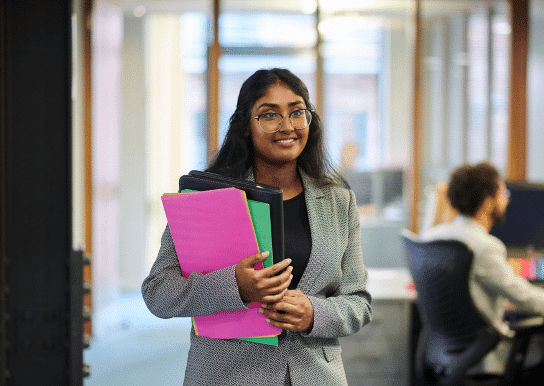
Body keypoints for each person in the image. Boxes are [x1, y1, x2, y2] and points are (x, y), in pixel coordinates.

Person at [142, 68, 372, 386]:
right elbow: (158, 293)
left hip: (315, 376)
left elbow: (358, 301)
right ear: (246, 127)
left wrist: (315, 314)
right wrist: (235, 287)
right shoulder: (207, 200)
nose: (287, 126)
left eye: (297, 112)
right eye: (269, 115)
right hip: (227, 374)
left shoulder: (338, 201)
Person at [420, 162, 544, 374]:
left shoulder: (432, 237)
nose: (508, 199)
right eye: (503, 193)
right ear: (488, 202)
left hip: (444, 355)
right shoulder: (485, 246)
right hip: (484, 357)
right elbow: (530, 300)